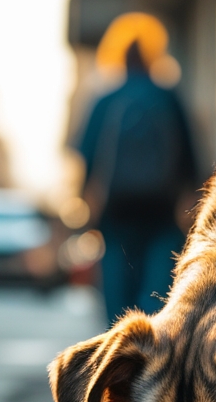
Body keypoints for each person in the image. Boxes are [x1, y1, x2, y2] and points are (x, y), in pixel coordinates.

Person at [74, 29, 198, 324]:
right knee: (158, 295)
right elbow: (191, 159)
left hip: (116, 212)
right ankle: (154, 351)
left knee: (118, 297)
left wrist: (86, 205)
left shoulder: (106, 99)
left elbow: (87, 159)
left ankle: (119, 350)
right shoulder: (169, 97)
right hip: (161, 212)